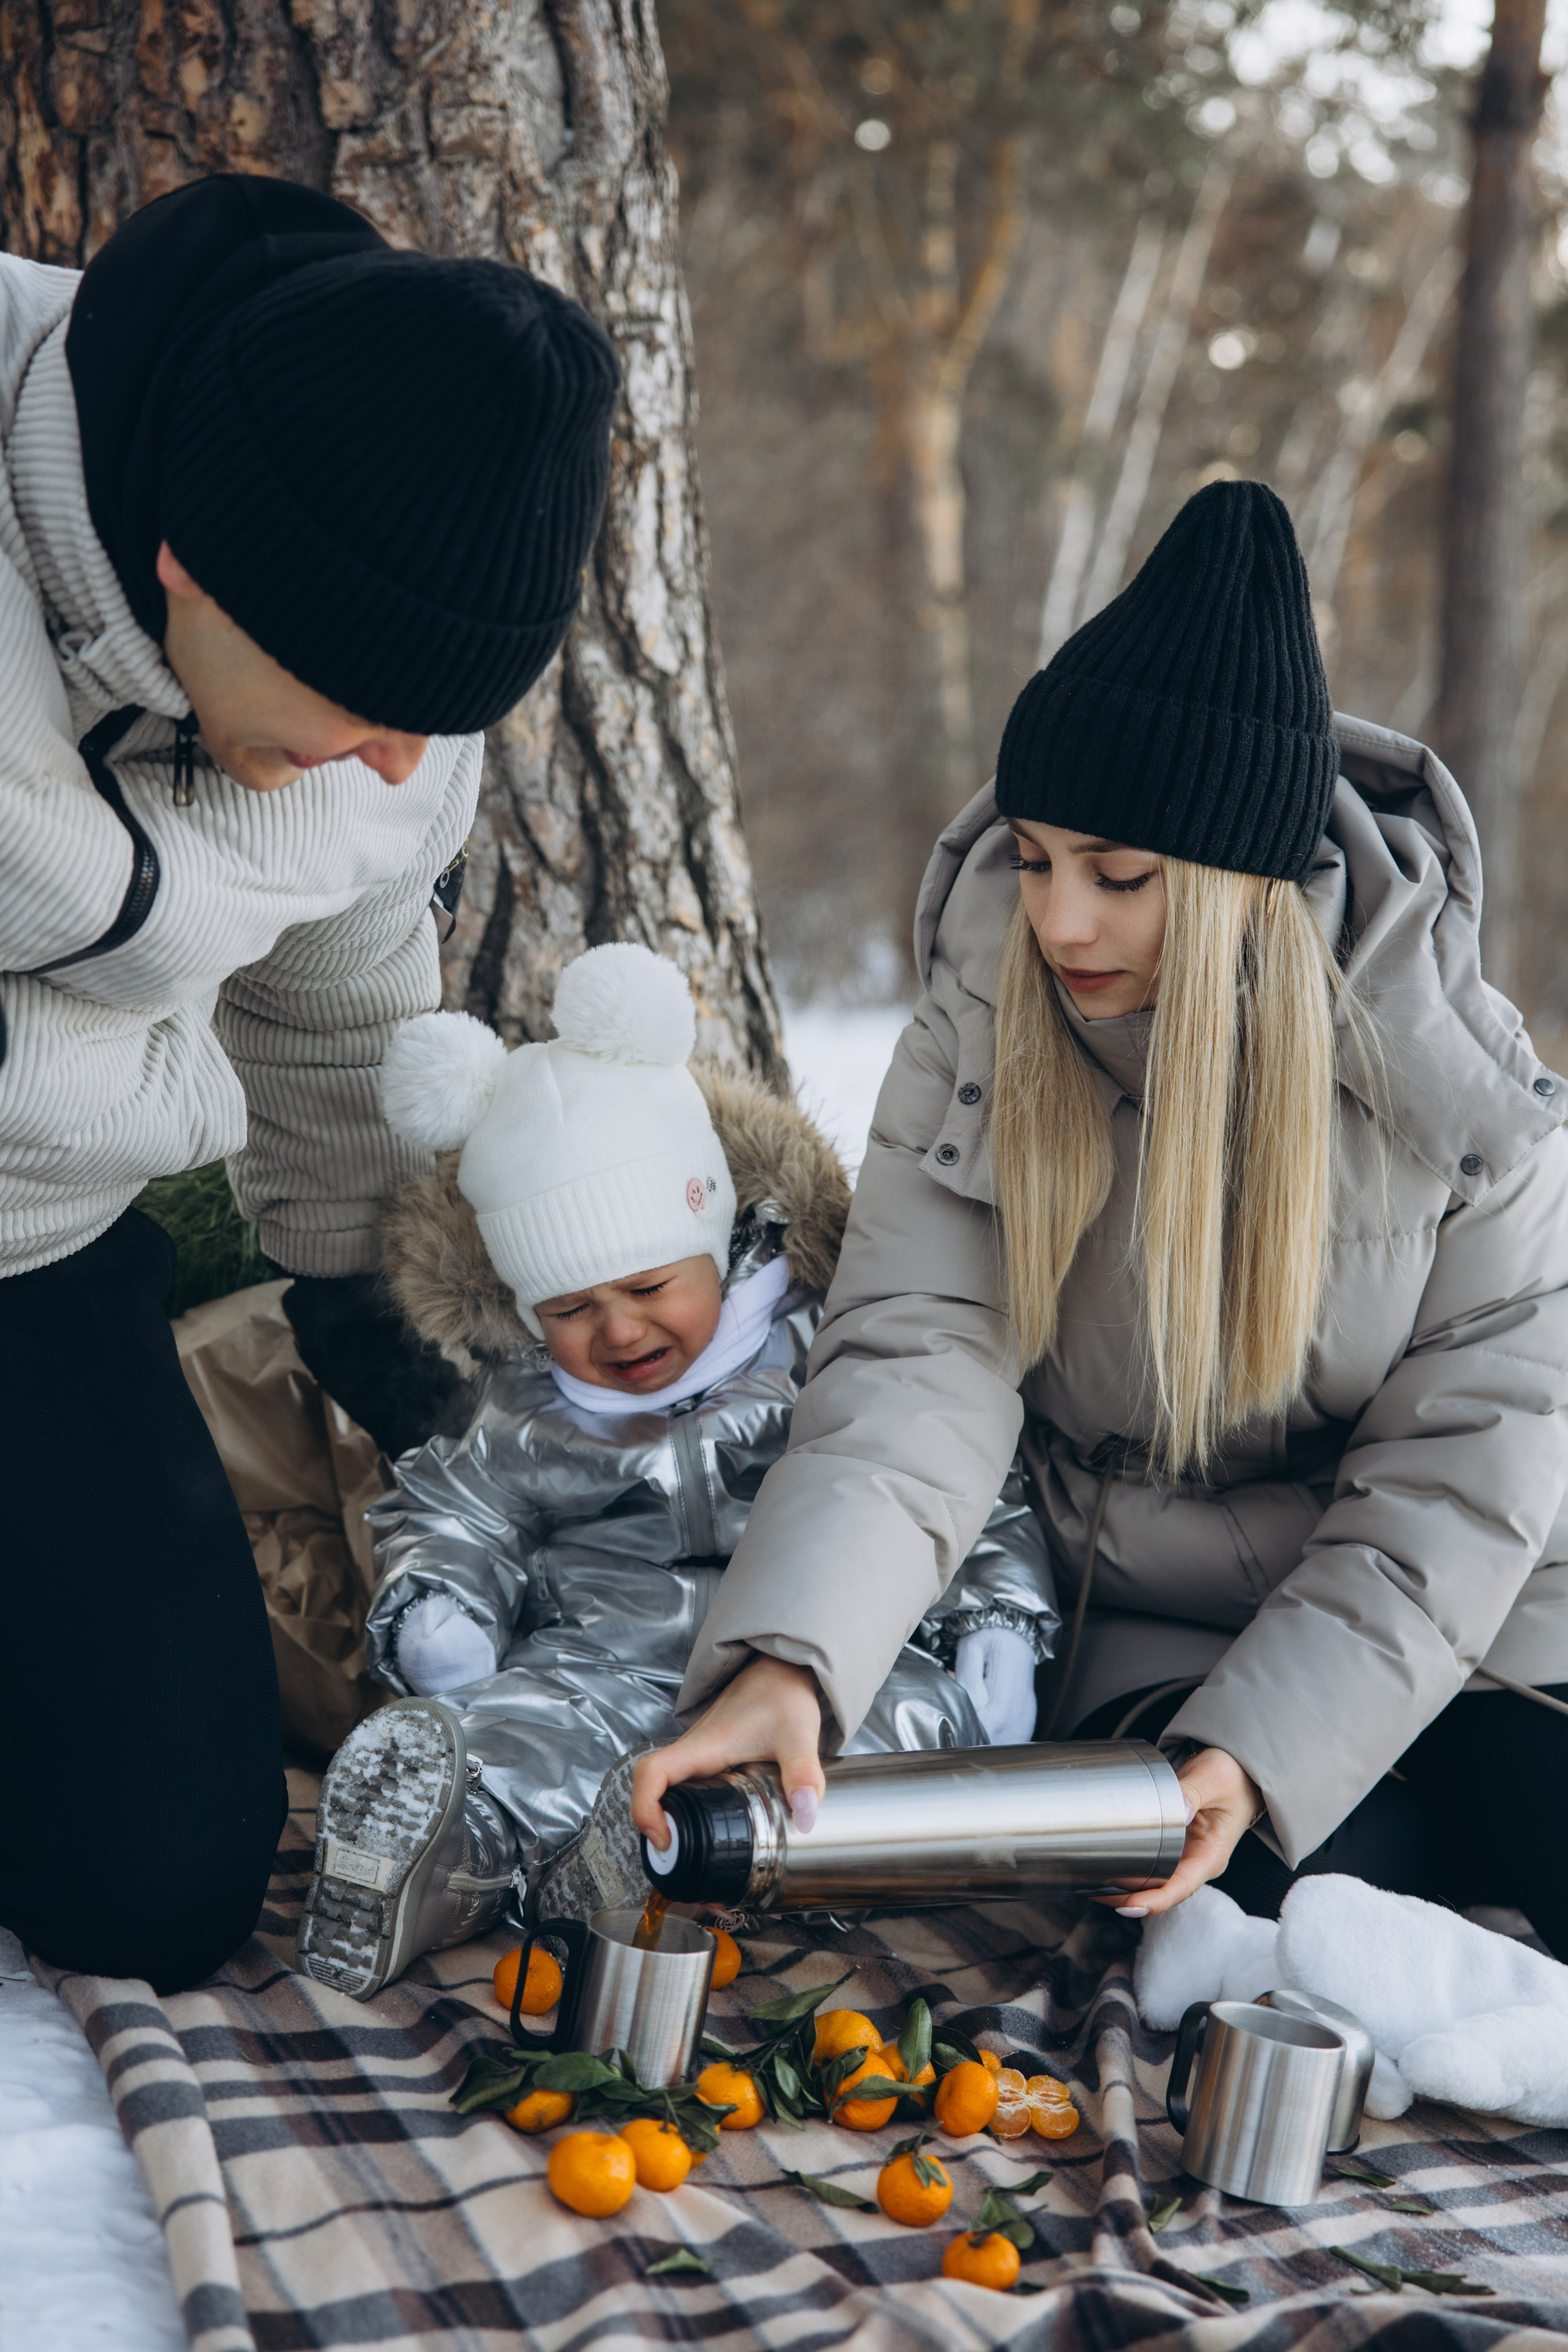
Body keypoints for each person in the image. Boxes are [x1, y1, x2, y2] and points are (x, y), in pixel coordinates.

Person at [632, 480, 1568, 1957]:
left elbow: (1462, 1482)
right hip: (1145, 1623)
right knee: (1258, 1915)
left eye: (1119, 878)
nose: (1059, 923)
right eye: (1033, 859)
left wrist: (1276, 1743)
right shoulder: (980, 1029)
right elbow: (912, 1366)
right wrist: (791, 1667)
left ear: (1238, 892)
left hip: (1477, 1620)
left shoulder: (1456, 1087)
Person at [0, 173, 619, 1992]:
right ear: (190, 553)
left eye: (432, 720)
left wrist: (391, 1328)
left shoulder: (381, 718)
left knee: (167, 1882)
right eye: (354, 700)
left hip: (35, 1246)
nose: (389, 757)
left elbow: (340, 1024)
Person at [293, 944, 1058, 1999]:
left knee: (905, 1734)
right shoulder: (527, 1404)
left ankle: (697, 1857)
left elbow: (954, 1482)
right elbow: (456, 1508)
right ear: (526, 1313)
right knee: (506, 1746)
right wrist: (442, 1607)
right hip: (599, 1667)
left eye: (650, 1283)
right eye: (568, 1309)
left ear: (714, 1232)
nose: (618, 1329)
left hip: (824, 1665)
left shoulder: (818, 1352)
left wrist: (997, 1620)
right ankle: (427, 1866)